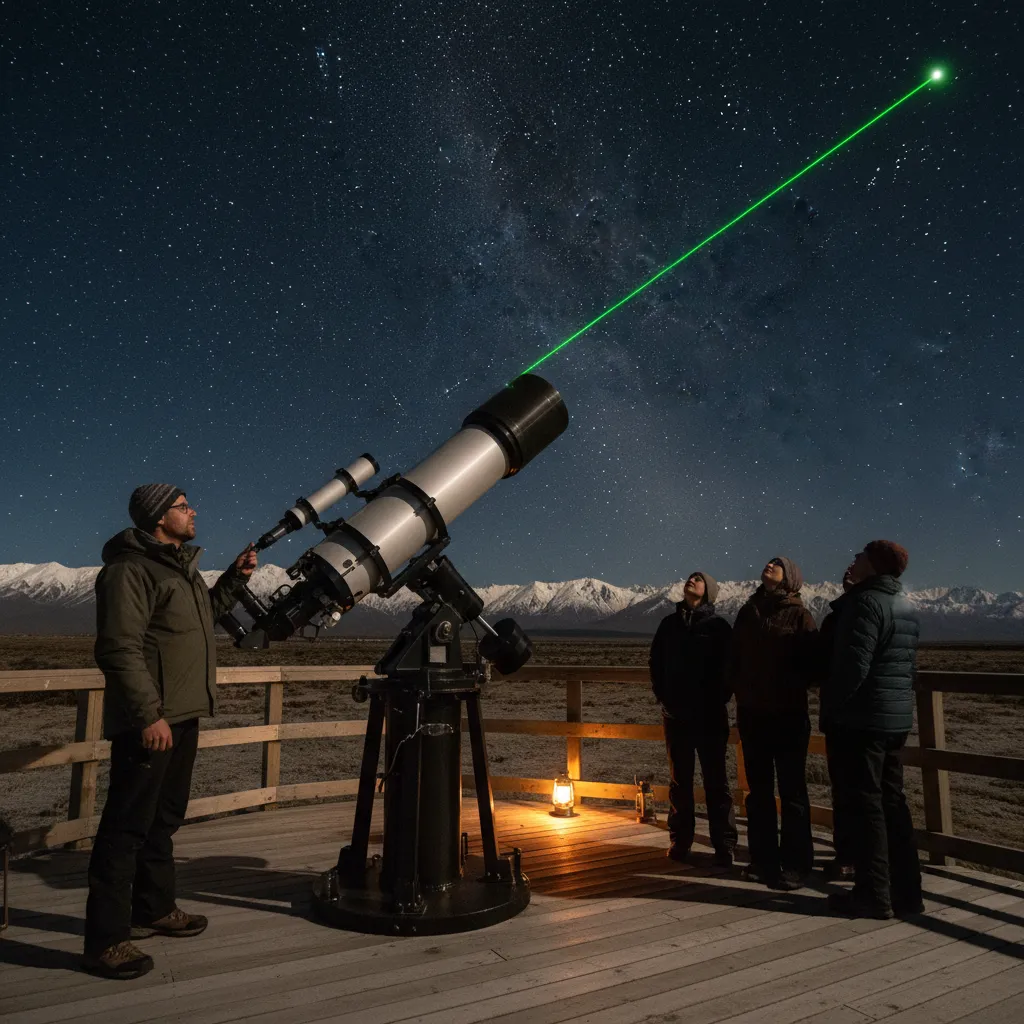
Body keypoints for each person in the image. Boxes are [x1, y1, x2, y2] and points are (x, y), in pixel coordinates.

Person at [83, 485, 257, 979]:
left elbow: (205, 617)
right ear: (159, 518)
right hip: (152, 720)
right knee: (126, 829)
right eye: (182, 507)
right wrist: (147, 715)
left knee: (163, 820)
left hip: (181, 715)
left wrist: (235, 580)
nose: (192, 511)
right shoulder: (129, 571)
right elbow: (118, 648)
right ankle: (106, 942)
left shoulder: (179, 570)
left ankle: (153, 909)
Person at [822, 540, 923, 920]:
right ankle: (908, 894)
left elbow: (853, 669)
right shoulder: (905, 604)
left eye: (860, 555)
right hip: (895, 720)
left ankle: (873, 894)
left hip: (864, 721)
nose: (854, 559)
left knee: (868, 808)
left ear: (875, 565)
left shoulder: (866, 604)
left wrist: (831, 706)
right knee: (893, 804)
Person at [730, 556, 817, 890]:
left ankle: (796, 864)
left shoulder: (799, 615)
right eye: (767, 563)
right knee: (759, 792)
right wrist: (738, 687)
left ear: (789, 578)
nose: (768, 566)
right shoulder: (748, 612)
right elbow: (733, 656)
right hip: (752, 714)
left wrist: (788, 684)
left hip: (788, 716)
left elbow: (811, 664)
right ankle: (763, 859)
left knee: (793, 792)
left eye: (777, 565)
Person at [649, 571, 737, 866]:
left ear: (709, 591)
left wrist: (719, 697)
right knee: (679, 782)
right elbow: (655, 661)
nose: (691, 580)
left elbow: (730, 667)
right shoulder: (669, 625)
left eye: (698, 579)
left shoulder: (719, 627)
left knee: (716, 781)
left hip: (710, 716)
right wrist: (663, 696)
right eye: (690, 577)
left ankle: (724, 845)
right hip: (676, 716)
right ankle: (680, 841)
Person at [814, 567, 857, 881]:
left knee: (858, 793)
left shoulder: (858, 612)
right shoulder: (837, 616)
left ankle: (863, 864)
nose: (848, 570)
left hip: (854, 716)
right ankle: (857, 859)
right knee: (847, 791)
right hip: (850, 716)